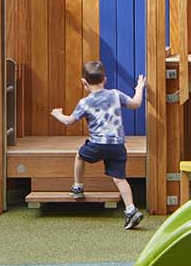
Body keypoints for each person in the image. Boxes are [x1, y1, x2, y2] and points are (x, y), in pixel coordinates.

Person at [51, 60, 145, 229]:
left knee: (80, 155)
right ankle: (131, 210)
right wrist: (139, 88)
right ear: (105, 80)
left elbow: (69, 121)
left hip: (97, 144)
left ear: (84, 82)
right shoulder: (115, 94)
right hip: (117, 145)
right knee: (120, 179)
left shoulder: (85, 103)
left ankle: (78, 186)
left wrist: (57, 114)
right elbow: (136, 103)